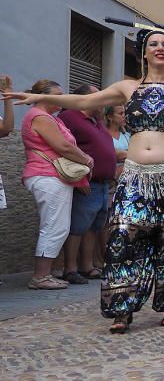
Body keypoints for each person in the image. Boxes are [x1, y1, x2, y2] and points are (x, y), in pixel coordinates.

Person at [6, 30, 164, 332]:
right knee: (124, 237)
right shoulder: (127, 88)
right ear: (142, 53)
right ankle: (123, 305)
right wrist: (40, 97)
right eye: (153, 44)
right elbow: (83, 101)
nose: (160, 48)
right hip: (135, 177)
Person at [19, 80, 93, 290]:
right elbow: (62, 146)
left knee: (56, 225)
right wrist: (86, 159)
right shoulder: (41, 117)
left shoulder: (47, 117)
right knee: (54, 225)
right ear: (43, 96)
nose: (62, 97)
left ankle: (45, 274)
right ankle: (41, 276)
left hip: (51, 176)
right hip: (47, 175)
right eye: (58, 94)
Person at [59, 84, 117, 284]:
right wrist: (79, 179)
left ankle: (87, 266)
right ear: (83, 99)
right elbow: (63, 149)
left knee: (94, 226)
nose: (102, 99)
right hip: (86, 182)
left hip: (102, 184)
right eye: (97, 96)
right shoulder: (69, 117)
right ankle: (70, 268)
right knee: (78, 226)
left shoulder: (96, 121)